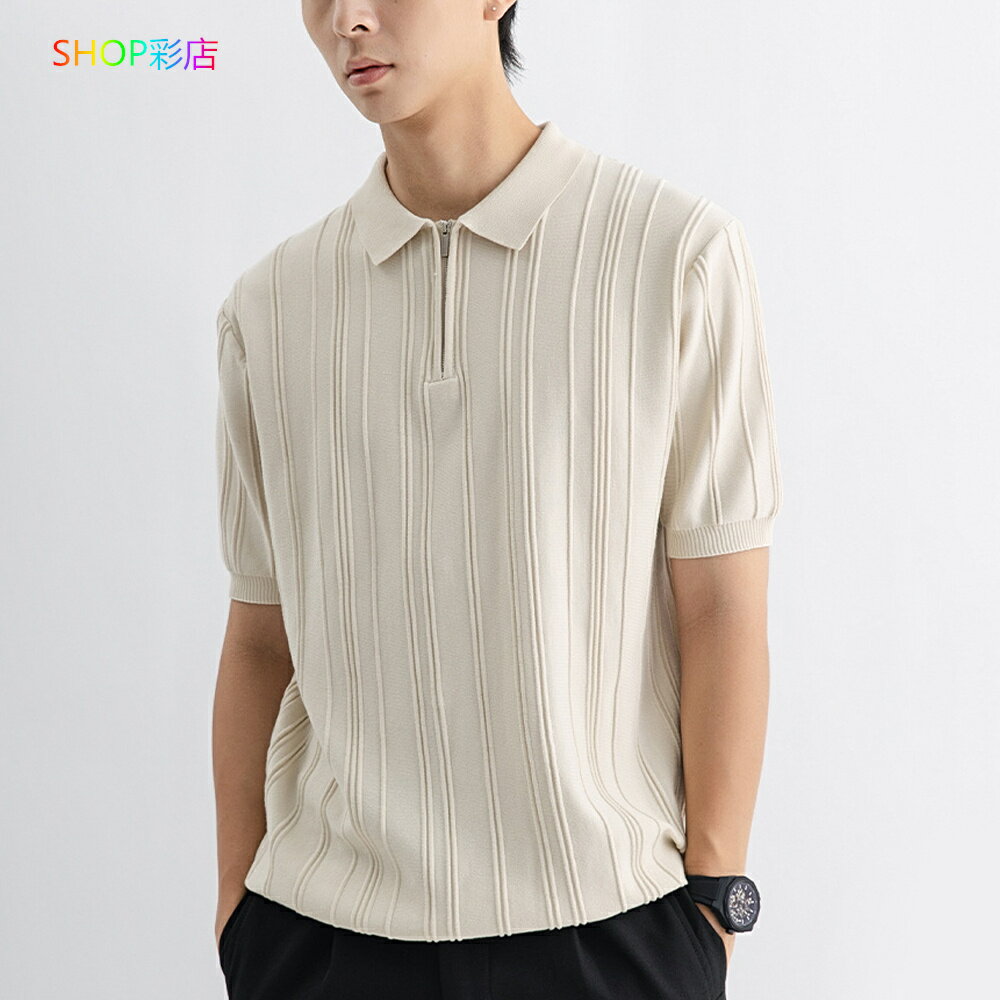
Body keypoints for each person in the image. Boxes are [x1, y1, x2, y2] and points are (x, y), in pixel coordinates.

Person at [211, 3, 781, 998]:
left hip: (609, 925)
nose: (348, 19)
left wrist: (712, 900)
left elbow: (721, 605)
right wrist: (236, 907)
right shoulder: (269, 307)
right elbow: (262, 635)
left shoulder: (673, 254)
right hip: (323, 935)